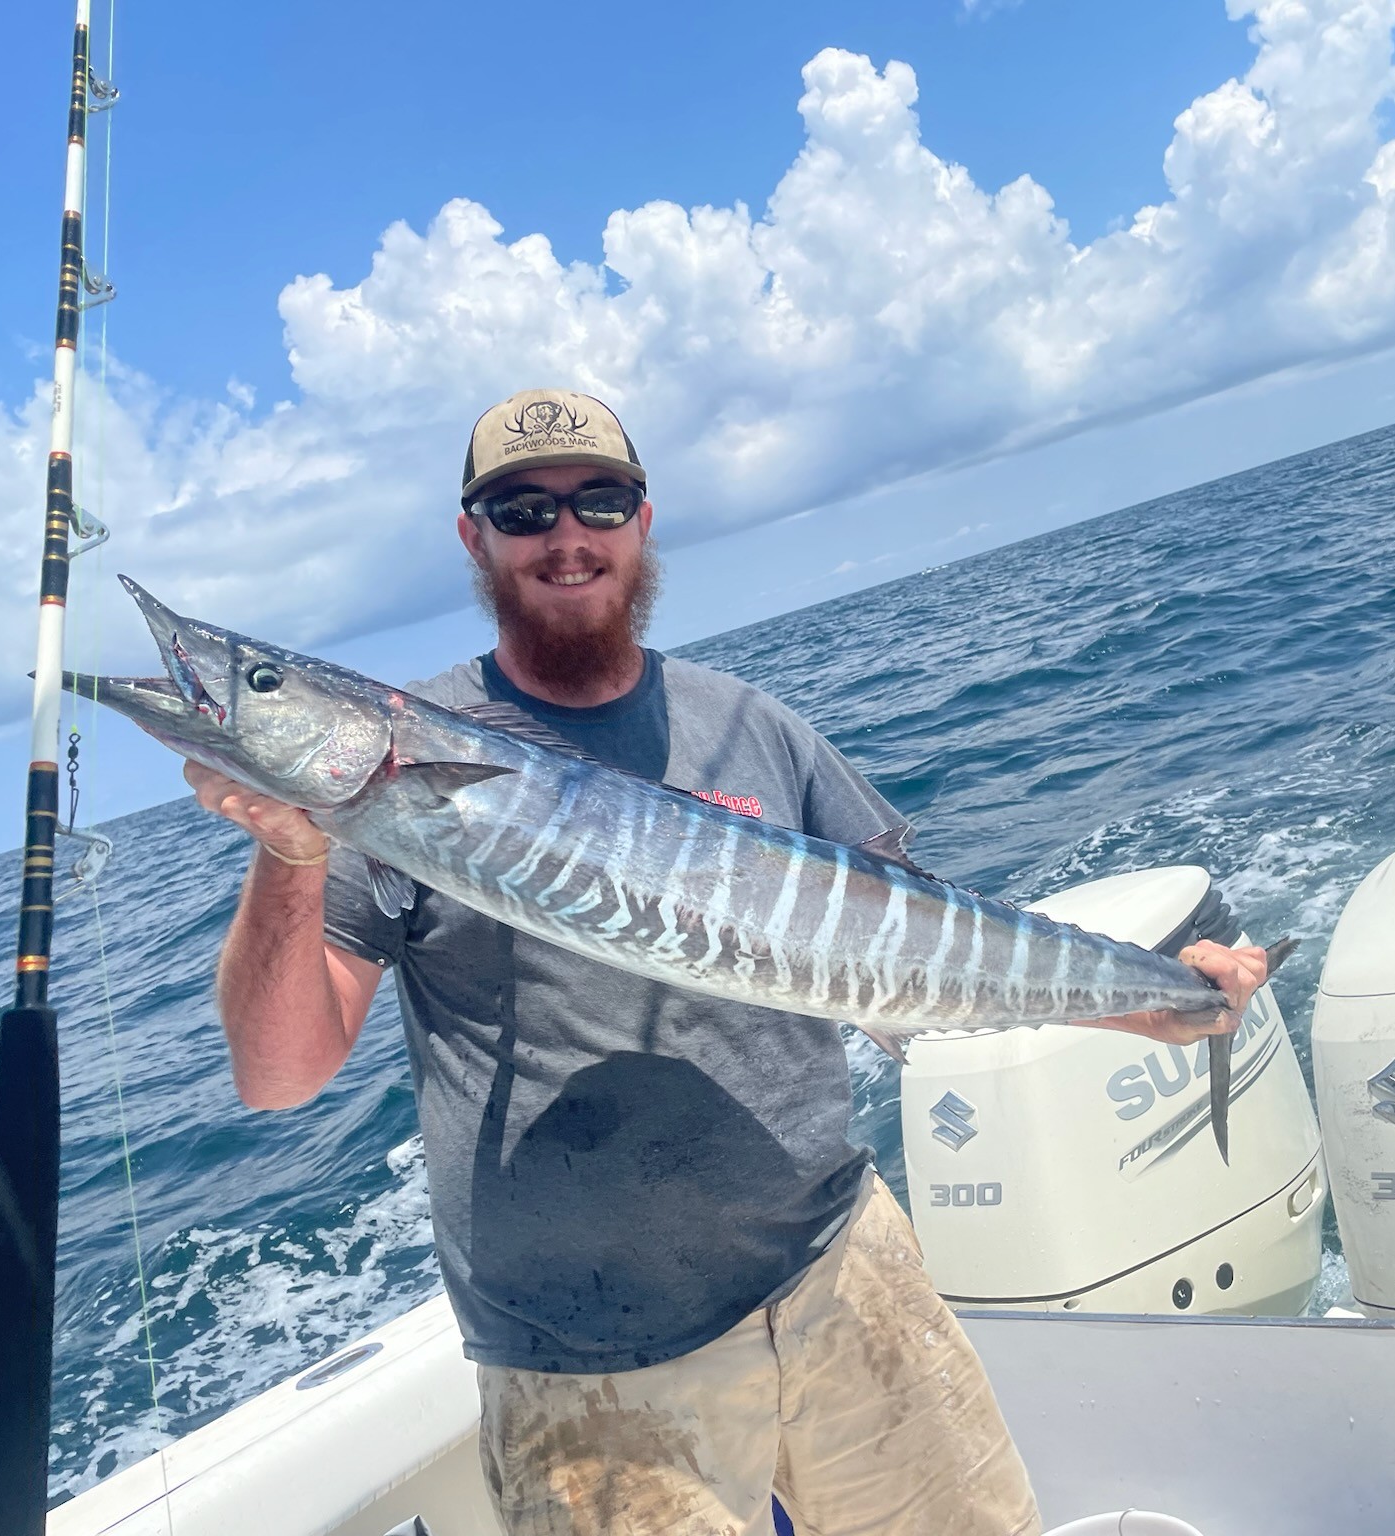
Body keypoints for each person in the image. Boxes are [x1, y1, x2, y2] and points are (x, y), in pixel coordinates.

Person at [188, 388, 1269, 1536]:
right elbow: (278, 1076)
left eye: (597, 501)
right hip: (589, 1366)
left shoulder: (753, 724)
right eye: (521, 509)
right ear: (473, 538)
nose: (566, 535)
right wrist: (294, 854)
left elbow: (925, 942)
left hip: (842, 1273)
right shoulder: (399, 771)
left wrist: (1154, 1005)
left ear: (641, 520)